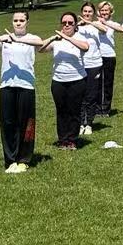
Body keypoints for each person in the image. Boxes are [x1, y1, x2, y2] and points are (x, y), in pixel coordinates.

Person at [0, 11, 39, 172]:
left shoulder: (32, 38)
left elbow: (41, 42)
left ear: (27, 22)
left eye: (21, 20)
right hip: (7, 86)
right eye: (15, 20)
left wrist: (17, 39)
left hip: (26, 86)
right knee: (8, 123)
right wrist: (1, 38)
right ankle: (11, 159)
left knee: (26, 123)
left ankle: (24, 158)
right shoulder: (5, 40)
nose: (18, 23)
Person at [41, 12, 91, 150]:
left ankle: (72, 140)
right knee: (61, 111)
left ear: (75, 25)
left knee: (74, 111)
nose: (67, 25)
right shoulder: (57, 39)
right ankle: (63, 140)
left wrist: (66, 38)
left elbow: (85, 47)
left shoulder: (80, 37)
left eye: (70, 23)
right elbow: (41, 49)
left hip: (77, 80)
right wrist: (52, 38)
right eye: (64, 23)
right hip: (58, 81)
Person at [76, 2, 105, 139]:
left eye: (89, 12)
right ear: (81, 12)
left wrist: (89, 22)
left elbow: (103, 29)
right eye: (85, 11)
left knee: (91, 96)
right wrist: (79, 24)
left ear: (93, 13)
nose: (87, 14)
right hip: (80, 64)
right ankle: (81, 122)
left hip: (94, 64)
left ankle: (89, 124)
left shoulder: (96, 26)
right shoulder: (77, 28)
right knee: (80, 95)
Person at [94, 1, 120, 115]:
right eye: (102, 10)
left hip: (109, 56)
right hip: (96, 56)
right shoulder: (94, 23)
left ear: (110, 12)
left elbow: (121, 29)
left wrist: (105, 22)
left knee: (108, 82)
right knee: (97, 83)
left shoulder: (112, 23)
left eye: (106, 10)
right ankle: (97, 107)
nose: (104, 12)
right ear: (98, 11)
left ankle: (106, 108)